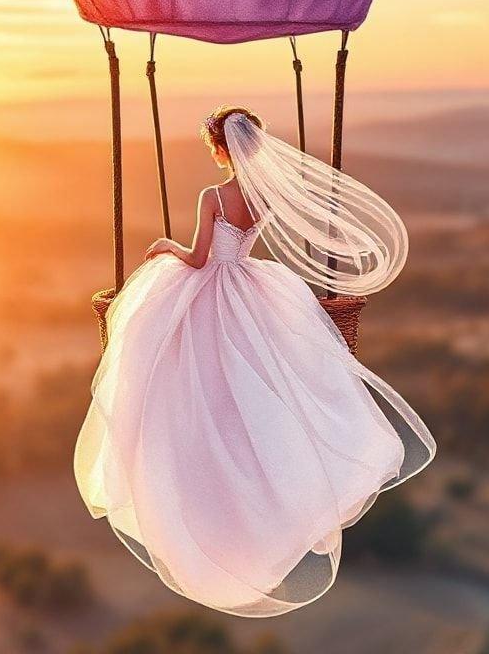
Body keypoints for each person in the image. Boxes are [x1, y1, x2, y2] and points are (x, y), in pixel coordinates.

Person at [74, 105, 435, 616]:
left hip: (216, 282)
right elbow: (240, 247)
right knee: (265, 370)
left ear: (220, 148)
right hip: (251, 282)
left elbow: (200, 258)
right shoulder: (265, 193)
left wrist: (164, 248)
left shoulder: (214, 195)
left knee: (174, 346)